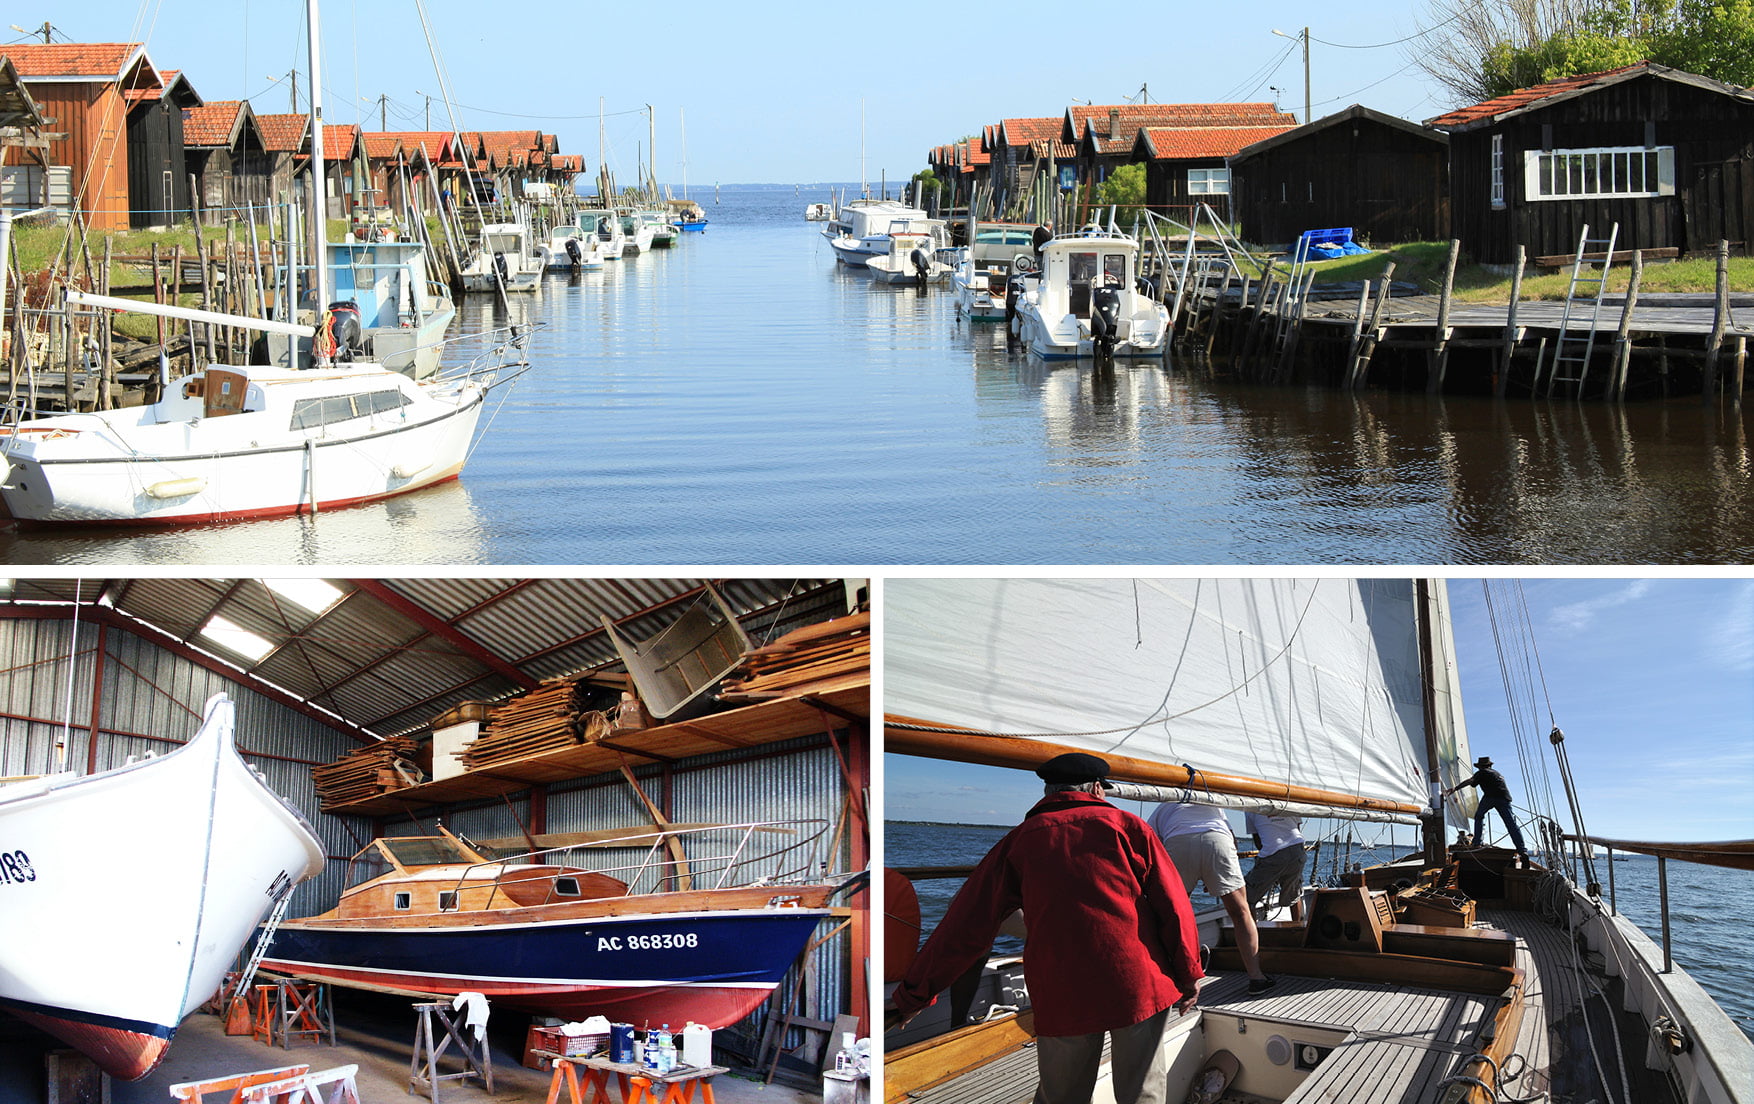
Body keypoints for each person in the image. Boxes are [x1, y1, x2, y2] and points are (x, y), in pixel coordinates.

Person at [888, 753, 1203, 1104]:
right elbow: (1175, 907)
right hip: (1136, 984)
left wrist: (913, 996)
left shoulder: (1018, 841)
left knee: (1061, 1096)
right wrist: (1189, 974)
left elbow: (964, 925)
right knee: (1142, 1093)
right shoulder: (1128, 828)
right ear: (1097, 789)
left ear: (1048, 791)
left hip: (1062, 990)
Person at [1148, 800, 1275, 994]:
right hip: (1217, 840)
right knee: (1241, 913)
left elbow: (1151, 841)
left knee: (1173, 916)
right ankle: (1257, 978)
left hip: (1178, 842)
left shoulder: (1165, 806)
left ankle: (1174, 979)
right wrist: (1211, 875)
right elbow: (1232, 839)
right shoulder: (1213, 805)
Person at [1444, 756, 1529, 864]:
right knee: (1511, 824)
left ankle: (1477, 842)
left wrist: (1455, 788)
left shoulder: (1482, 772)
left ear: (1480, 767)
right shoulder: (1497, 773)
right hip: (1504, 798)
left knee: (1479, 816)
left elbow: (1470, 781)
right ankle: (1522, 850)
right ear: (1490, 765)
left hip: (1490, 797)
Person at [1244, 811, 1306, 921]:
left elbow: (1258, 841)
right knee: (1293, 895)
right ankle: (1298, 931)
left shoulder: (1250, 807)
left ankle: (1253, 937)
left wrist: (1271, 865)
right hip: (1298, 850)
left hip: (1274, 854)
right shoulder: (1288, 799)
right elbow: (1297, 828)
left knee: (1245, 898)